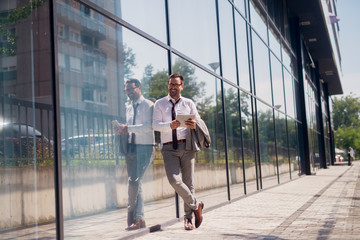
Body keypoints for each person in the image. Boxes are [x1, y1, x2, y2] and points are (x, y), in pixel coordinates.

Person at [152, 73, 206, 231]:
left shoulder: (188, 103)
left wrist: (193, 123)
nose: (172, 87)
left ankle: (187, 219)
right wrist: (170, 125)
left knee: (189, 183)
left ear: (182, 86)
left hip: (187, 146)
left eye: (176, 85)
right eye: (170, 84)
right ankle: (197, 206)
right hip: (169, 148)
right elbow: (155, 125)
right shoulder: (159, 103)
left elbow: (198, 121)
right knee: (174, 180)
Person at [113, 79, 154, 231]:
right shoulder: (128, 108)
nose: (129, 93)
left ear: (139, 88)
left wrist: (128, 127)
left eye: (131, 89)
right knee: (135, 182)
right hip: (131, 148)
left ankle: (137, 217)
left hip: (145, 147)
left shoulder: (149, 105)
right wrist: (121, 130)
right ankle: (138, 218)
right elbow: (129, 129)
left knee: (135, 181)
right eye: (127, 91)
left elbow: (149, 127)